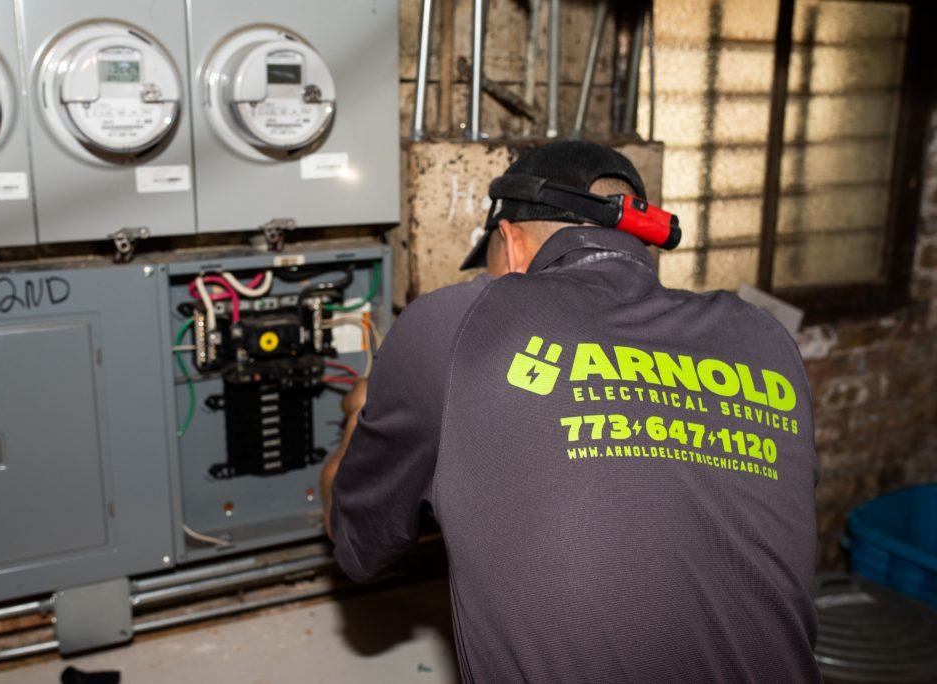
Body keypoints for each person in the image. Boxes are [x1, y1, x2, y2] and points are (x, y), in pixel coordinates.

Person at [320, 141, 820, 683]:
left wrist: (359, 416)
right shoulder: (763, 338)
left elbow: (359, 548)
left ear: (509, 242)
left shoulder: (461, 320)